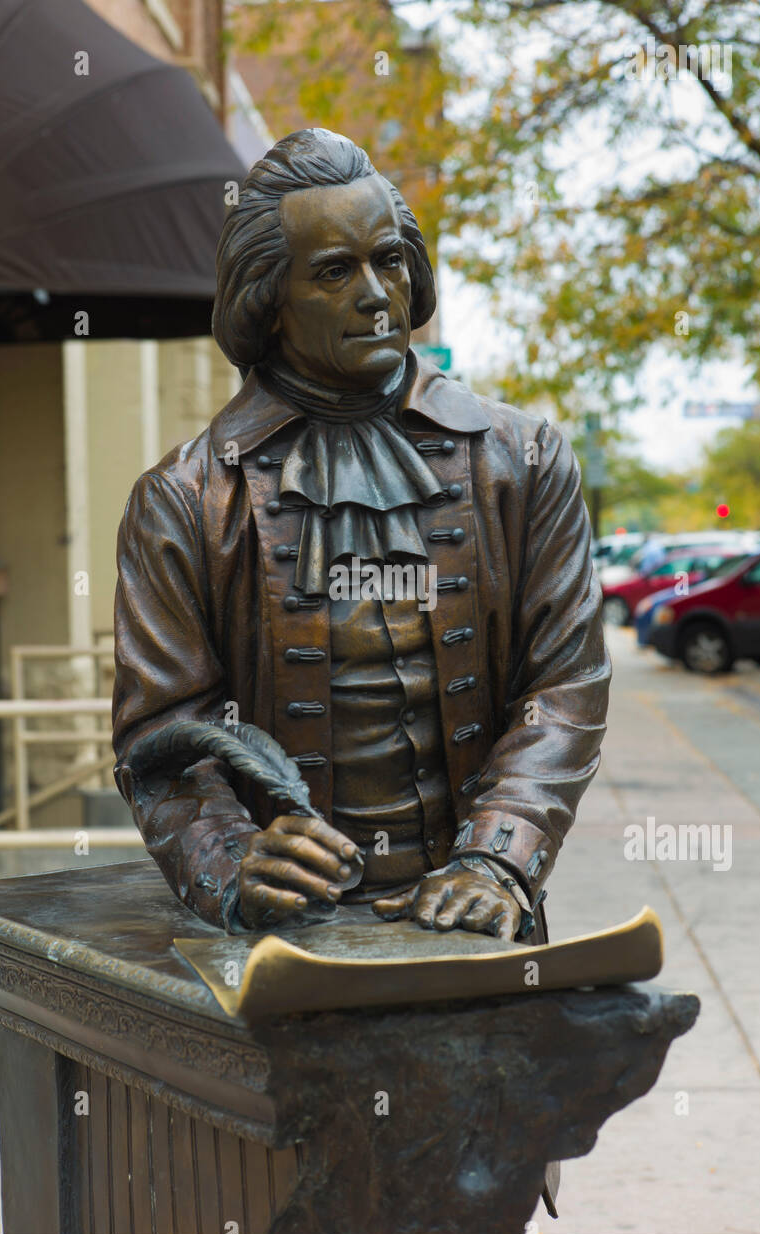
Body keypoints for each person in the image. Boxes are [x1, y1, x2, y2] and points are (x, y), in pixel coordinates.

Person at [112, 127, 611, 951]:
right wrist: (232, 862)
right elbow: (164, 732)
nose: (378, 294)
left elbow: (567, 681)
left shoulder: (522, 462)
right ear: (267, 300)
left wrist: (498, 859)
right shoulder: (185, 500)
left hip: (473, 915)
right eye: (336, 272)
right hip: (285, 940)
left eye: (389, 260)